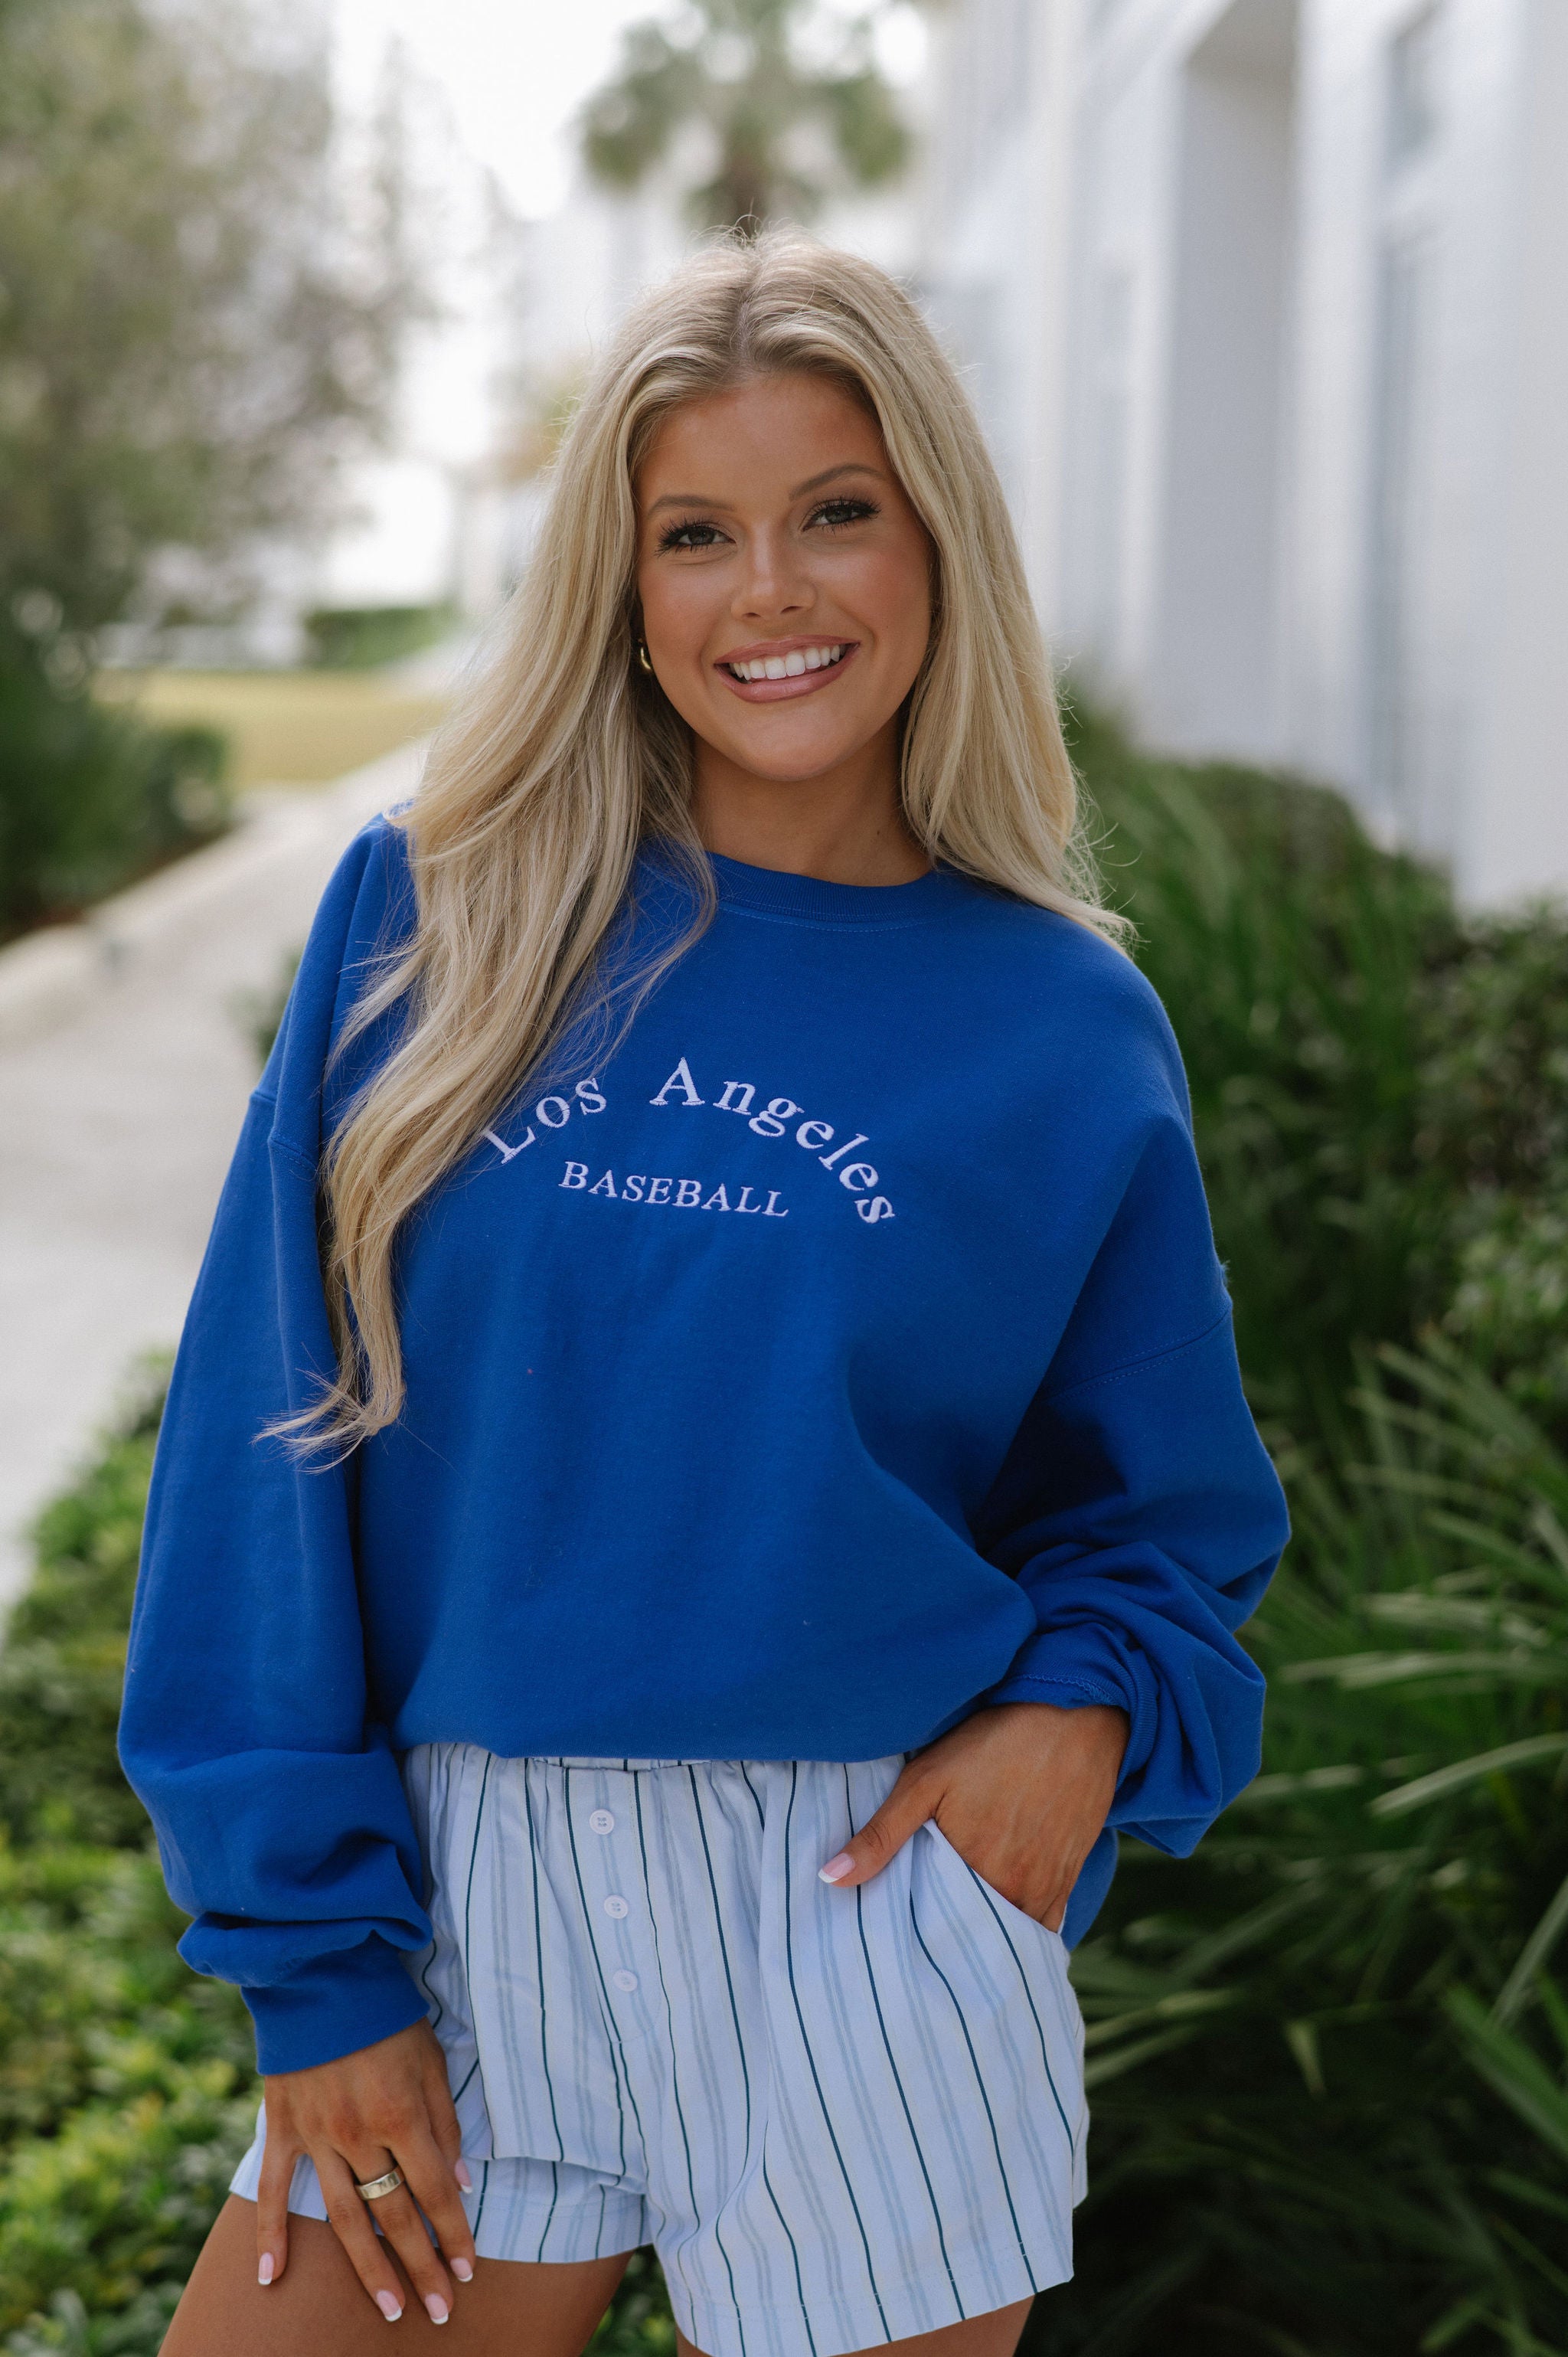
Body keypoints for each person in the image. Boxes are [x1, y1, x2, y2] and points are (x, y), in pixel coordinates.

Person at [121, 230, 1289, 2357]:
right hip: (471, 1891)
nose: (771, 591)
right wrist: (313, 1959)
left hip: (871, 1897)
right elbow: (254, 1449)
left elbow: (1166, 1515)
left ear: (935, 544)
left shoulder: (1060, 1020)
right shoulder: (437, 916)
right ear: (625, 590)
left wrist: (1083, 1715)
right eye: (696, 535)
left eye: (835, 513)